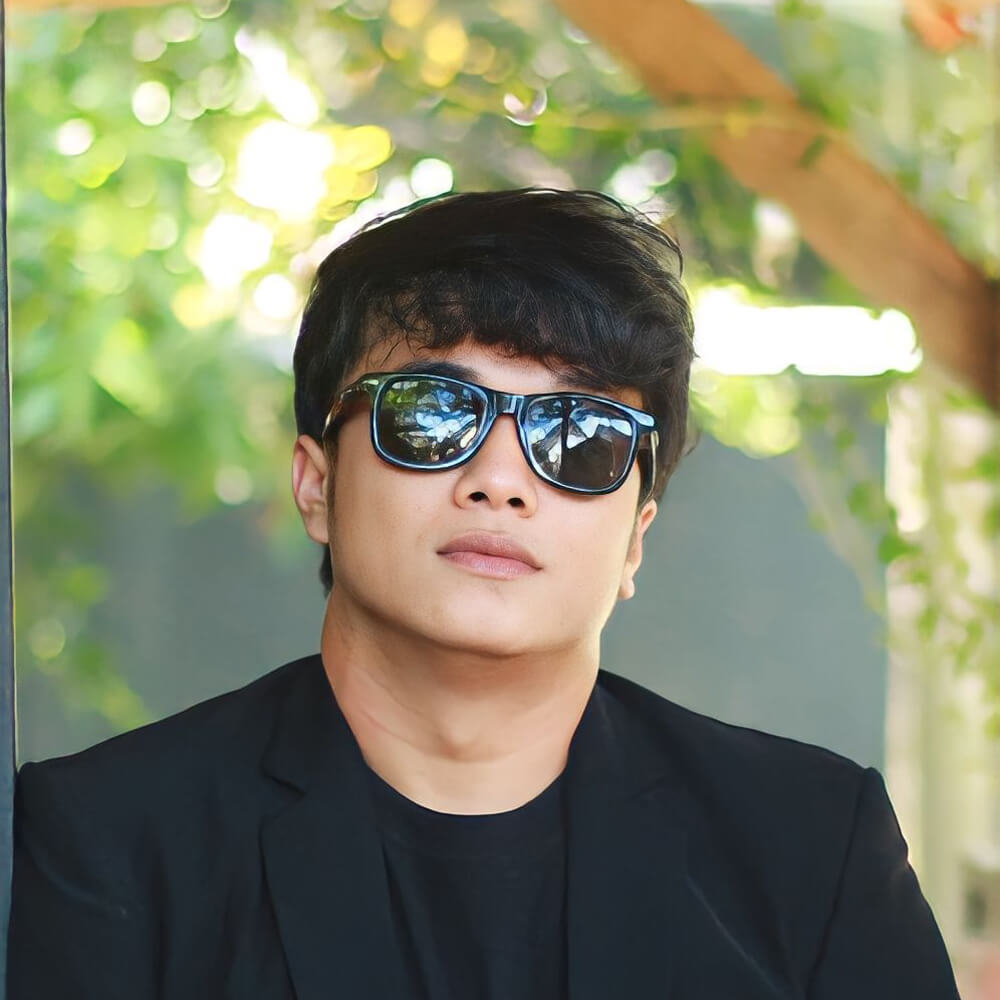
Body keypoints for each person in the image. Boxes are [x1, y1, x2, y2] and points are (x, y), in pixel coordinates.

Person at [7, 188, 960, 999]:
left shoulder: (810, 848)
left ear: (636, 537)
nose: (499, 480)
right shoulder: (105, 841)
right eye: (433, 414)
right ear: (317, 485)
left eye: (578, 435)